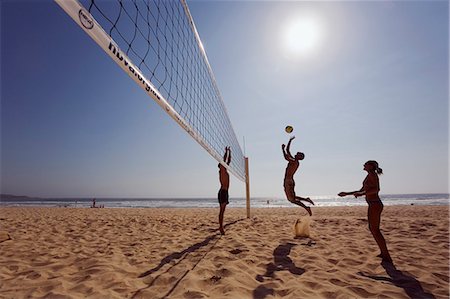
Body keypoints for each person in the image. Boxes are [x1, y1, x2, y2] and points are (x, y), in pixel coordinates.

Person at [338, 160, 393, 263]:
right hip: (372, 204)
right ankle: (383, 253)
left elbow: (376, 190)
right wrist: (347, 193)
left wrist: (362, 194)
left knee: (375, 230)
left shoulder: (373, 175)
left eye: (366, 164)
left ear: (371, 166)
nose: (363, 165)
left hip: (375, 204)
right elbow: (361, 190)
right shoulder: (369, 176)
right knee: (373, 229)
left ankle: (387, 255)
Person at [282, 136, 314, 216]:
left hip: (288, 181)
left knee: (291, 200)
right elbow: (288, 151)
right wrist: (290, 140)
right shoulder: (294, 160)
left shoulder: (294, 162)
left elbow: (286, 156)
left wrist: (282, 149)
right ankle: (306, 200)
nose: (296, 153)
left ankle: (306, 207)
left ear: (299, 157)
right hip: (290, 181)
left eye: (298, 154)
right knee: (293, 198)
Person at [218, 146, 231, 235]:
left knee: (223, 211)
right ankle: (221, 227)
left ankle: (221, 226)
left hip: (225, 192)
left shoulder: (225, 170)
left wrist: (230, 152)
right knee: (222, 211)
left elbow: (228, 161)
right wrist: (226, 152)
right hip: (223, 192)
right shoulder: (222, 170)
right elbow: (224, 160)